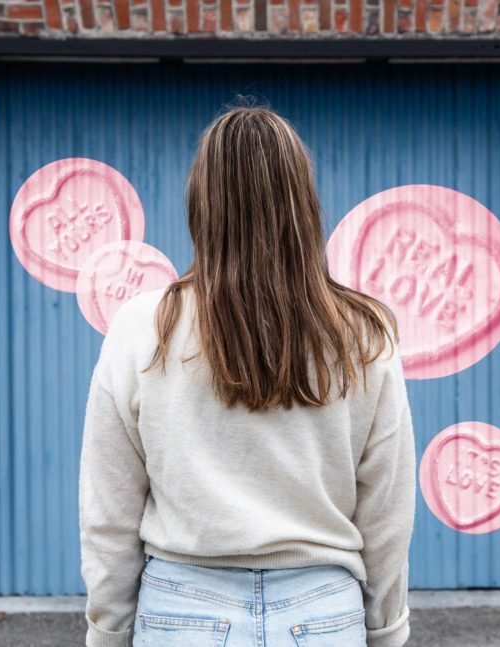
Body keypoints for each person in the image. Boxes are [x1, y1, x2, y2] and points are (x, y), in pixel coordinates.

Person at [78, 102, 416, 647]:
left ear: (202, 202)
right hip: (324, 612)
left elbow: (108, 511)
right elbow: (387, 510)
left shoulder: (143, 326)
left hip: (181, 611)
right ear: (303, 203)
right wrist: (384, 629)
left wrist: (108, 631)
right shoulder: (363, 333)